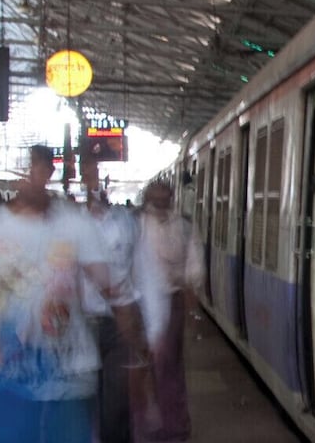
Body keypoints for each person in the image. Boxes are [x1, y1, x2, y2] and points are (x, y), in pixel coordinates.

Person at [0, 145, 151, 443]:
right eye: (28, 168)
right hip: (9, 381)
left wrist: (139, 358)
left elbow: (116, 293)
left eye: (41, 169)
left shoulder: (75, 225)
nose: (33, 176)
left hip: (71, 379)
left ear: (50, 173)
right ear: (15, 175)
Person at [132, 177, 205, 443]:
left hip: (171, 299)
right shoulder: (136, 224)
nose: (160, 203)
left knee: (167, 367)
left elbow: (194, 266)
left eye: (164, 198)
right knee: (141, 366)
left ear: (171, 198)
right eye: (156, 199)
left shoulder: (182, 226)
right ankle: (148, 423)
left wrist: (189, 295)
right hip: (138, 302)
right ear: (149, 200)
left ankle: (173, 426)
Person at [79, 159, 139, 443]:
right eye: (90, 178)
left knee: (117, 400)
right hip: (82, 322)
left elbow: (139, 270)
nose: (95, 184)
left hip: (118, 322)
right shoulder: (72, 225)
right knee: (85, 398)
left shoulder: (126, 223)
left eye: (100, 179)